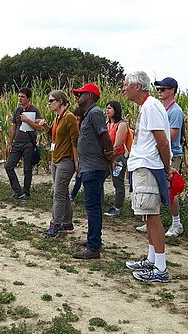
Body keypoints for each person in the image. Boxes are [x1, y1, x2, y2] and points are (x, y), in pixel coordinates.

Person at [123, 71, 172, 283]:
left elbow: (162, 142)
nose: (123, 88)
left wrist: (167, 168)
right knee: (147, 214)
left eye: (126, 84)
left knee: (153, 216)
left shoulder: (151, 107)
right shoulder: (148, 107)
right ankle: (152, 259)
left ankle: (160, 268)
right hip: (143, 165)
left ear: (137, 86)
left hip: (148, 166)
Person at [72, 83, 114, 260]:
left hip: (94, 166)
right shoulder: (90, 113)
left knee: (93, 207)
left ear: (89, 95)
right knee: (92, 207)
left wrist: (109, 154)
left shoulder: (95, 113)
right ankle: (92, 239)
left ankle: (94, 247)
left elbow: (104, 135)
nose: (77, 96)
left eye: (80, 94)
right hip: (90, 165)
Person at [40, 90, 79, 237]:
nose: (49, 103)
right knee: (63, 194)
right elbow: (56, 136)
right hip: (56, 158)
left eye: (52, 101)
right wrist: (46, 127)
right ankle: (67, 223)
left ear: (60, 101)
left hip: (66, 160)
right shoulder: (58, 117)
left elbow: (75, 140)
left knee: (58, 194)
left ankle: (55, 224)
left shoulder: (69, 118)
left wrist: (76, 161)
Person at [154, 77, 185, 237]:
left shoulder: (175, 111)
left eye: (163, 89)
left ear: (172, 90)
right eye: (158, 89)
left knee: (171, 190)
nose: (160, 92)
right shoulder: (161, 109)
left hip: (172, 155)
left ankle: (176, 222)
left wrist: (155, 141)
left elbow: (171, 136)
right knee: (157, 188)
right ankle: (154, 220)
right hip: (160, 153)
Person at [5, 87, 42, 200]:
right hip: (17, 143)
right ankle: (17, 191)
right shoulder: (17, 110)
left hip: (29, 143)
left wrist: (27, 120)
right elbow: (14, 127)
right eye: (19, 96)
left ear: (28, 98)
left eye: (22, 97)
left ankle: (26, 192)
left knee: (27, 169)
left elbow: (39, 127)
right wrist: (10, 143)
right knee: (8, 166)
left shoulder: (34, 110)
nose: (20, 99)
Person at [103, 101, 128, 217]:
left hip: (117, 158)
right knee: (99, 178)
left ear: (116, 110)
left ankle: (117, 207)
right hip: (107, 156)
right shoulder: (106, 124)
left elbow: (118, 144)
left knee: (118, 182)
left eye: (110, 108)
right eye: (106, 108)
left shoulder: (121, 125)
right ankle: (100, 202)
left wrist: (110, 154)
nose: (107, 110)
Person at [69, 106, 85, 201]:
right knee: (78, 177)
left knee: (79, 177)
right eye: (75, 115)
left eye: (78, 115)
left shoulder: (84, 127)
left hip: (82, 155)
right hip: (77, 154)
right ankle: (73, 195)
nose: (76, 117)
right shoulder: (74, 126)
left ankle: (73, 195)